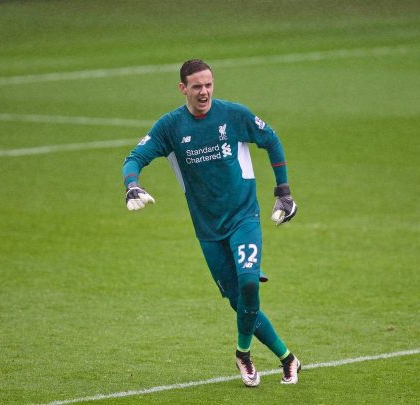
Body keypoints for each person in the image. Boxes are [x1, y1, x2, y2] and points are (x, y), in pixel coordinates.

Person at [122, 59, 300, 387]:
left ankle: (242, 353)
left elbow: (271, 139)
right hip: (207, 229)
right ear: (183, 89)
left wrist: (283, 191)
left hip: (244, 217)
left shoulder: (234, 115)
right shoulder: (170, 127)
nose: (204, 92)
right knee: (238, 301)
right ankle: (288, 358)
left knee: (249, 282)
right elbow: (134, 157)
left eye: (208, 85)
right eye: (196, 86)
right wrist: (132, 184)